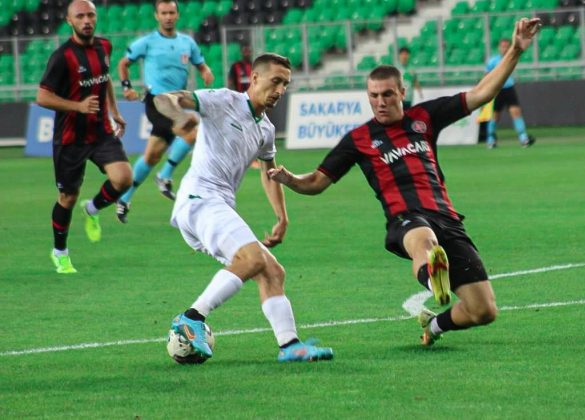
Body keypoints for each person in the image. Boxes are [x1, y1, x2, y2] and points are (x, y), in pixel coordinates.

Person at [268, 18, 541, 347]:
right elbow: (316, 182)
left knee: (484, 310)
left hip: (447, 217)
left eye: (386, 94)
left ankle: (435, 325)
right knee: (424, 243)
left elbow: (483, 93)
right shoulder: (359, 139)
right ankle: (433, 280)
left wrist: (516, 50)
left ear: (402, 92)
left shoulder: (425, 117)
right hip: (405, 218)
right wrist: (288, 179)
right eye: (373, 96)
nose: (380, 102)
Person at [152, 53, 334, 362]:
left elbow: (269, 172)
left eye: (286, 84)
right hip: (200, 199)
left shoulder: (264, 128)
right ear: (256, 78)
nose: (279, 90)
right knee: (251, 258)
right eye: (275, 81)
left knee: (272, 270)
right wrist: (180, 116)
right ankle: (191, 318)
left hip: (217, 205)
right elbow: (165, 99)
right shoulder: (223, 100)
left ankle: (290, 346)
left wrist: (282, 217)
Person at [37, 0, 133, 274]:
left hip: (101, 131)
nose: (87, 20)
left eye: (90, 14)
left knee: (124, 178)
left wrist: (114, 111)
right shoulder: (62, 56)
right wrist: (77, 106)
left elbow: (105, 78)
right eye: (80, 16)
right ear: (70, 21)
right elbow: (42, 96)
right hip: (70, 137)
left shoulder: (104, 46)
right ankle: (60, 252)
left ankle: (91, 209)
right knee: (67, 196)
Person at [116, 0, 214, 223]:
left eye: (171, 12)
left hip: (178, 100)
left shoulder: (187, 43)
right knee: (193, 131)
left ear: (177, 15)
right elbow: (123, 64)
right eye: (164, 13)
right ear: (156, 16)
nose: (168, 16)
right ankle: (165, 176)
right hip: (157, 100)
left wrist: (206, 71)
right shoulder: (147, 42)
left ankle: (124, 198)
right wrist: (127, 88)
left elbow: (201, 64)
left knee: (152, 155)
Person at [484, 38, 535, 148]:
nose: (505, 49)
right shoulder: (493, 61)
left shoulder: (511, 59)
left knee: (516, 112)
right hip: (498, 90)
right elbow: (486, 76)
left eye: (507, 46)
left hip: (509, 88)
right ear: (499, 48)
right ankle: (490, 139)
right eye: (503, 47)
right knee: (495, 116)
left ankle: (523, 138)